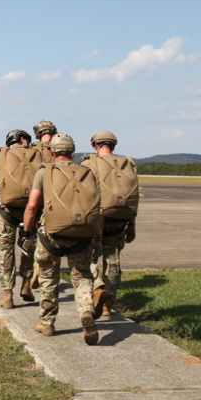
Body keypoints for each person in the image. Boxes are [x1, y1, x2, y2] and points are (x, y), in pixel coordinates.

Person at [23, 133, 102, 345]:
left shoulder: (44, 172)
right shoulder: (88, 172)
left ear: (51, 151)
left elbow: (32, 206)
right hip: (82, 236)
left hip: (51, 236)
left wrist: (27, 232)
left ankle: (47, 323)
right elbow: (97, 208)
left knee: (48, 277)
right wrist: (97, 237)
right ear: (72, 151)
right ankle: (86, 310)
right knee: (83, 275)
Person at [0, 129, 40, 308]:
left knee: (6, 252)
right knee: (28, 247)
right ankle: (26, 283)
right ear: (22, 139)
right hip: (31, 211)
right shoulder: (38, 156)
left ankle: (7, 295)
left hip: (6, 211)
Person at [81, 130, 139, 317]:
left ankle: (97, 285)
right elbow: (133, 196)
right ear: (113, 146)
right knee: (112, 260)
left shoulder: (90, 162)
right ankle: (108, 305)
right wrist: (132, 224)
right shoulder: (128, 163)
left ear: (96, 145)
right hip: (120, 220)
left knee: (89, 257)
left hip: (97, 219)